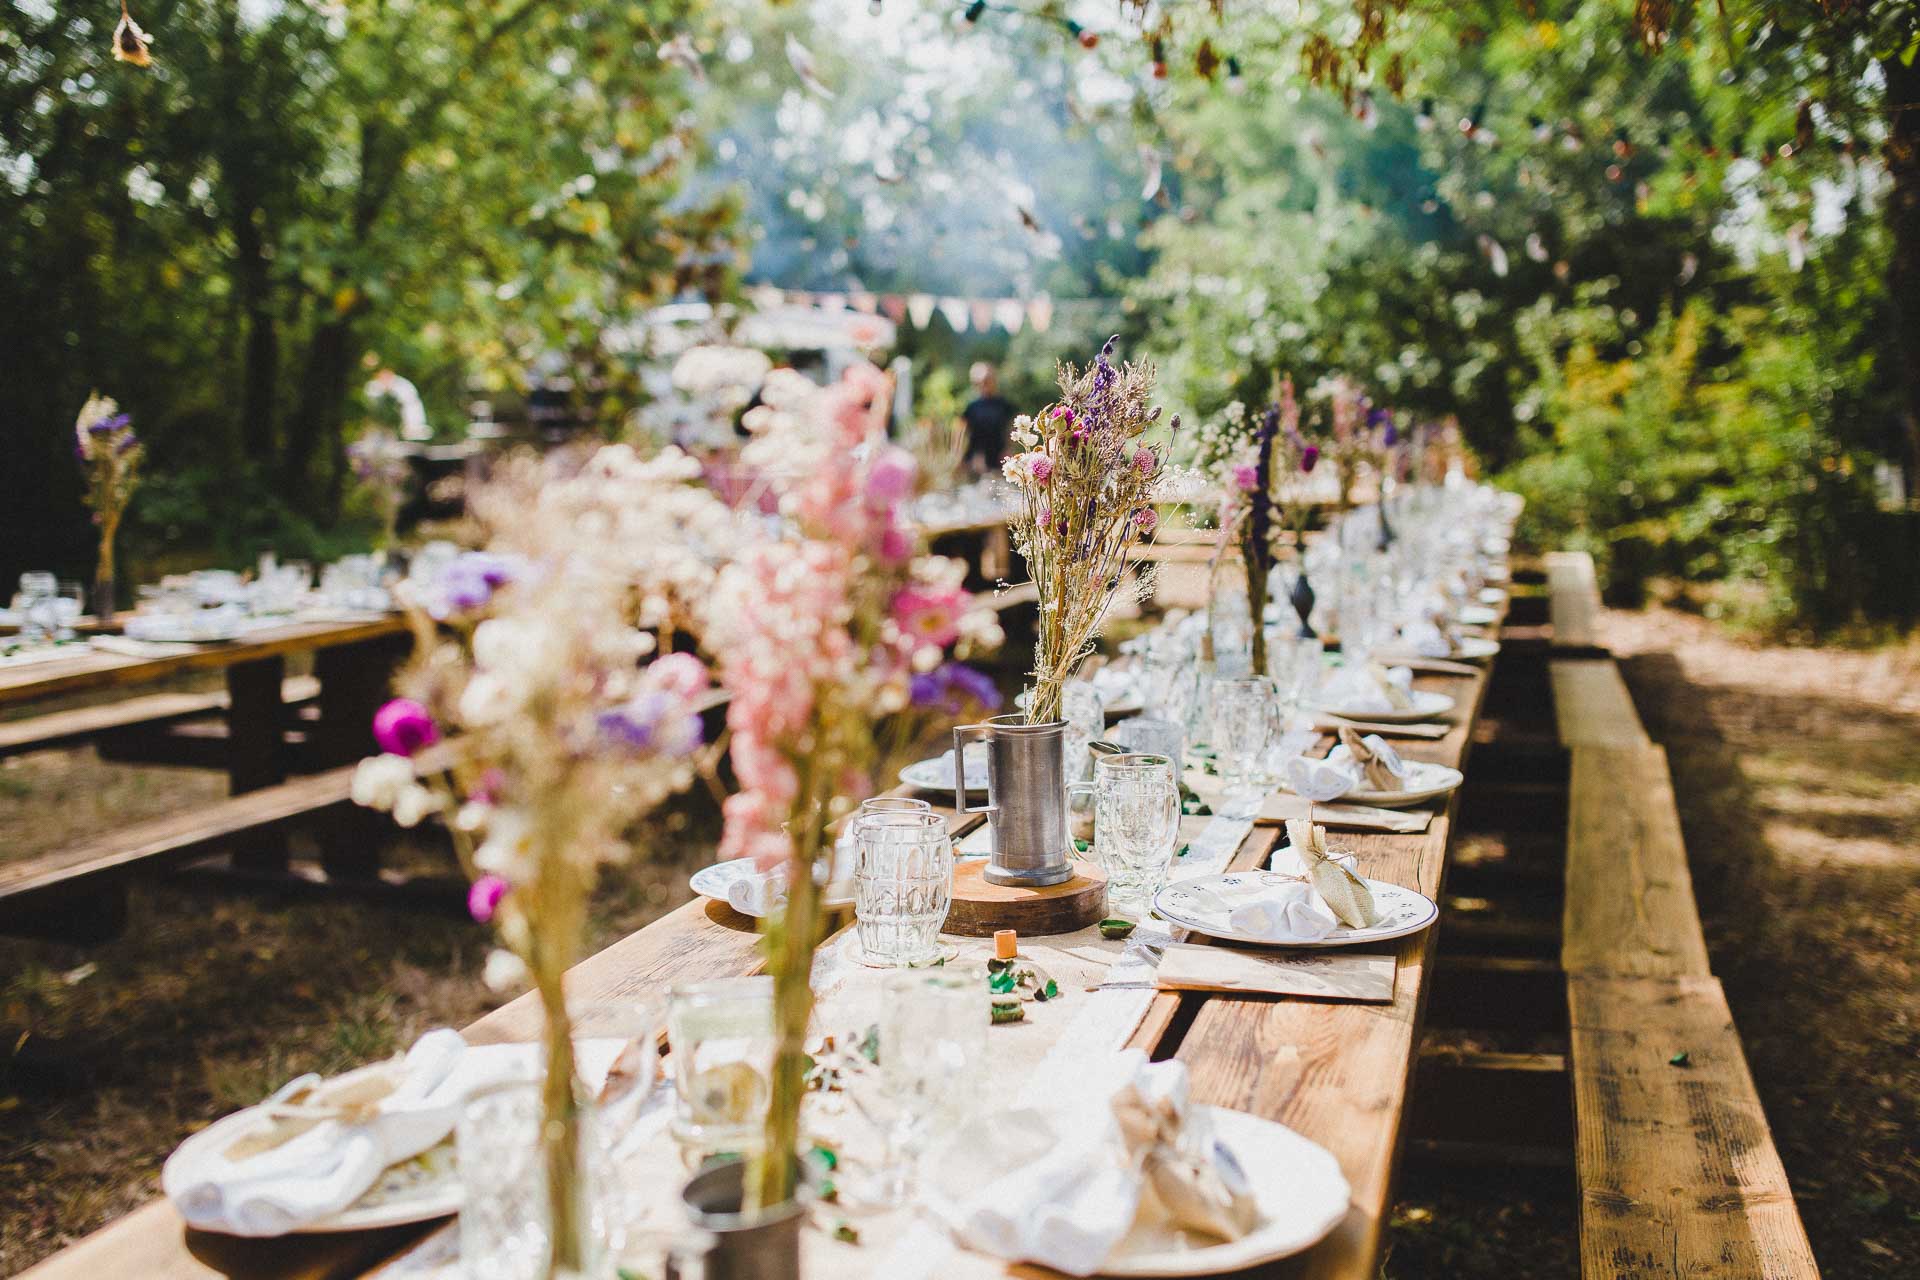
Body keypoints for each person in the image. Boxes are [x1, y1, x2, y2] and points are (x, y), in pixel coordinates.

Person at [960, 362, 1015, 475]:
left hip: (1001, 460)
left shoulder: (1005, 405)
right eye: (980, 382)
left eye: (987, 380)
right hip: (976, 461)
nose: (984, 385)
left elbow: (1011, 430)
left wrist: (1009, 450)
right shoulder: (971, 407)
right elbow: (964, 434)